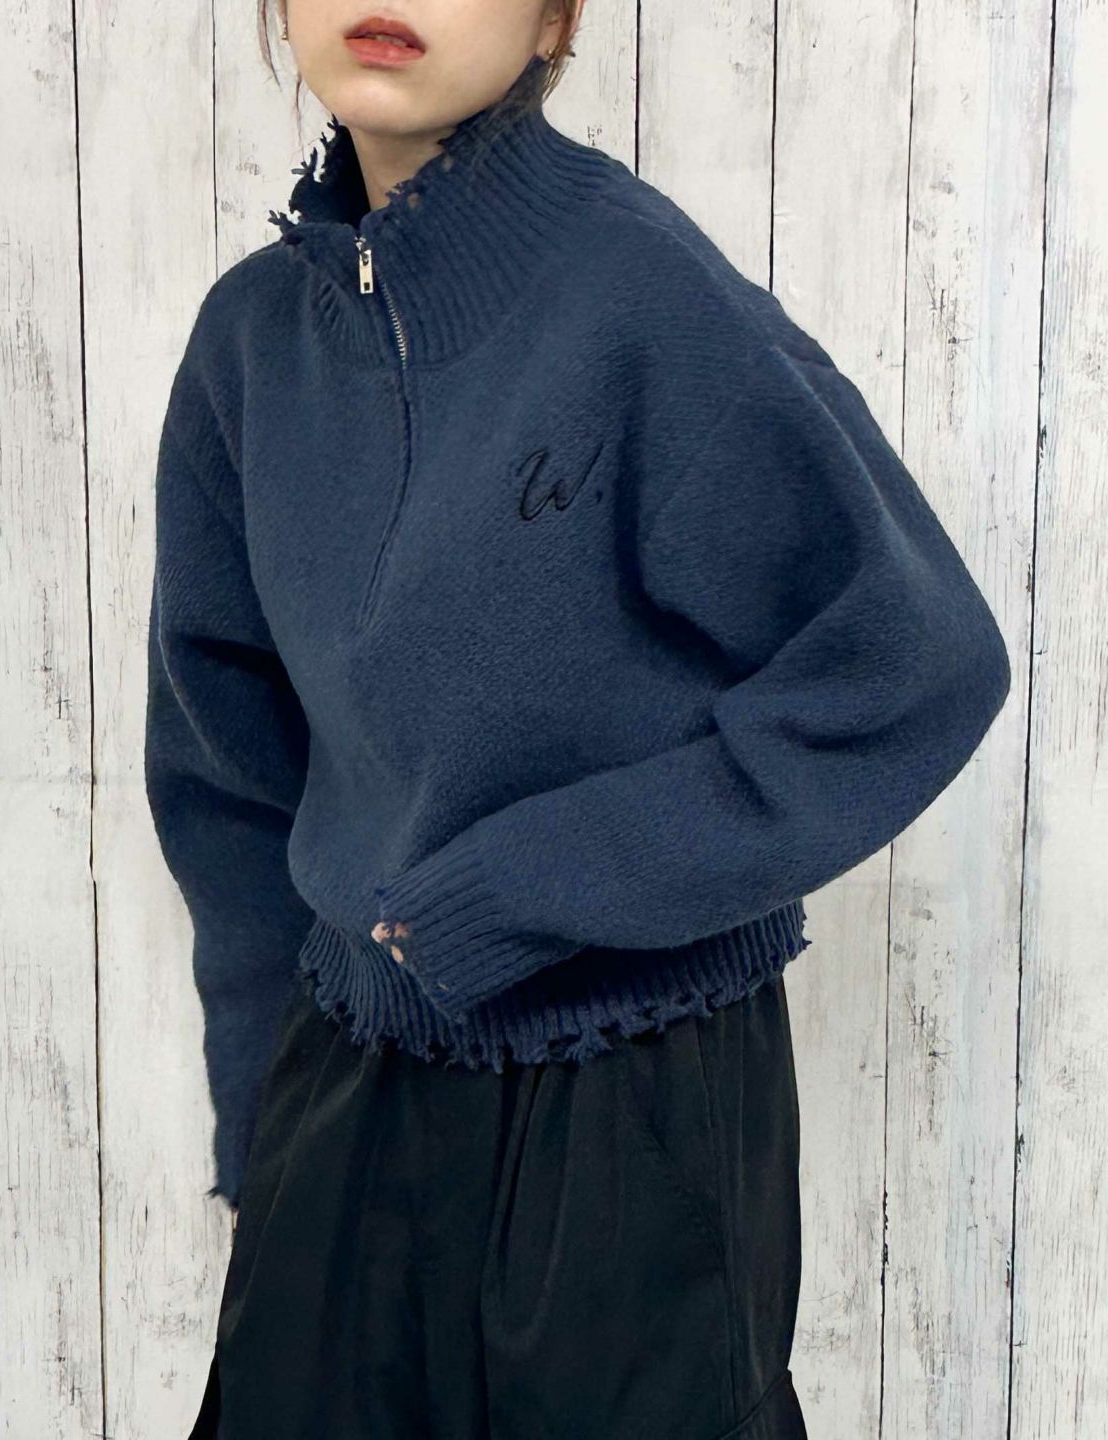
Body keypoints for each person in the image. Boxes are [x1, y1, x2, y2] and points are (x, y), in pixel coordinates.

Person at [143, 3, 1013, 1436]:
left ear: (556, 16)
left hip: (628, 1102)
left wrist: (530, 886)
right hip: (341, 1088)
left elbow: (913, 662)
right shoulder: (250, 342)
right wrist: (258, 1108)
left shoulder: (639, 294)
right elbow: (224, 762)